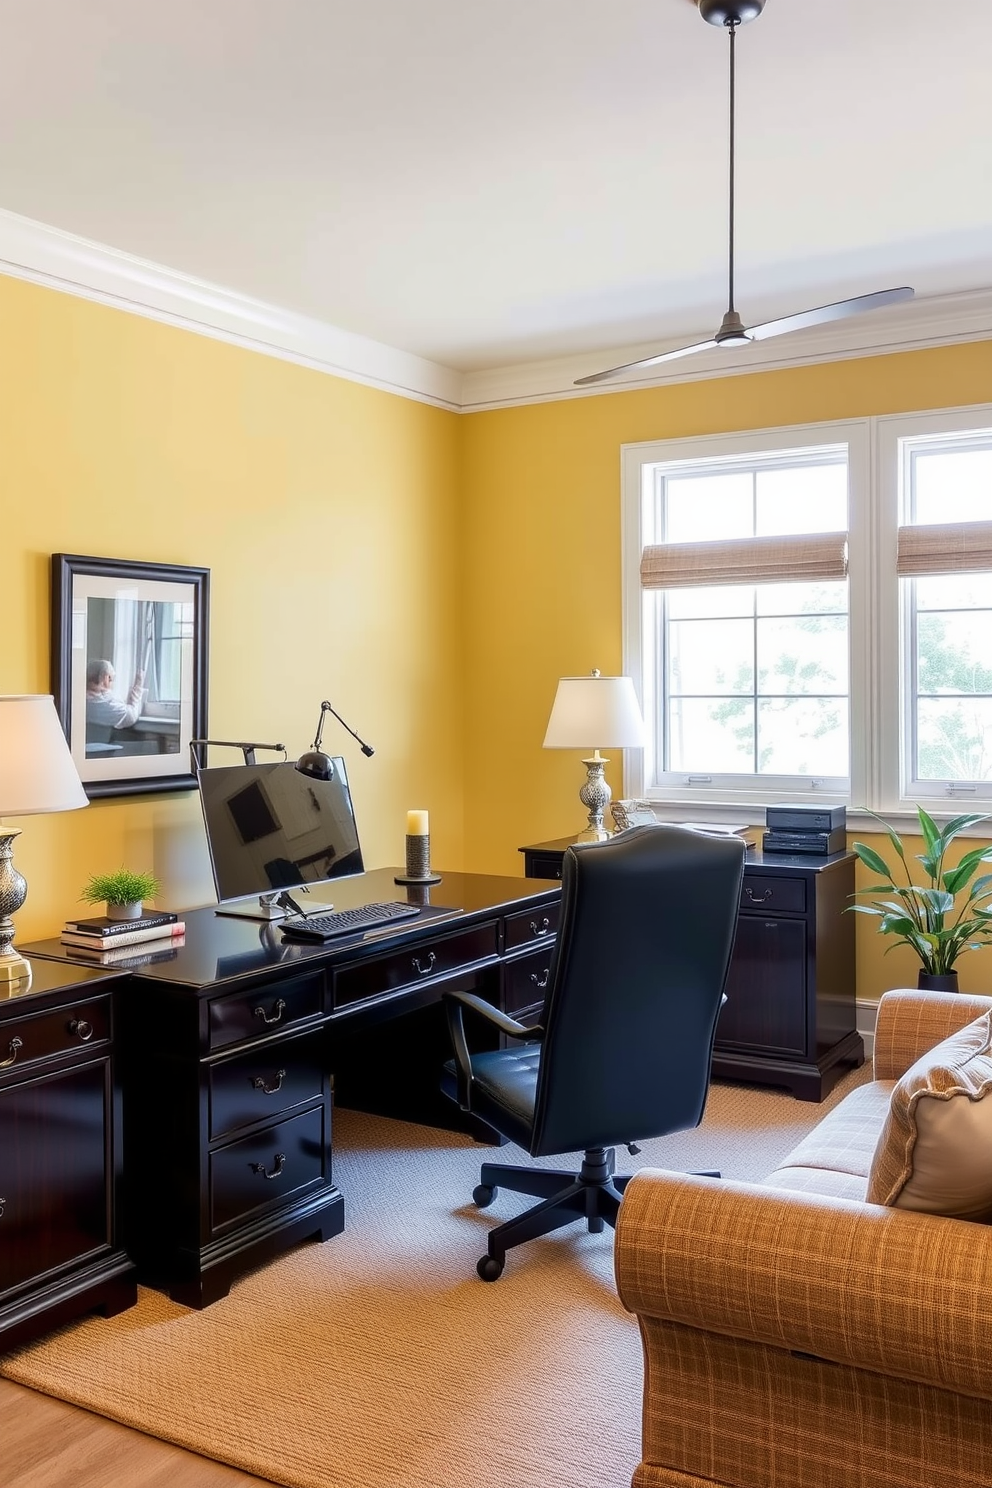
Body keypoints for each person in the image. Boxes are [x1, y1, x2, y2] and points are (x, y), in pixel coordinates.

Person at [85, 658, 146, 730]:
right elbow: (131, 717)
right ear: (107, 678)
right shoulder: (106, 702)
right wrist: (138, 686)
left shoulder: (78, 699)